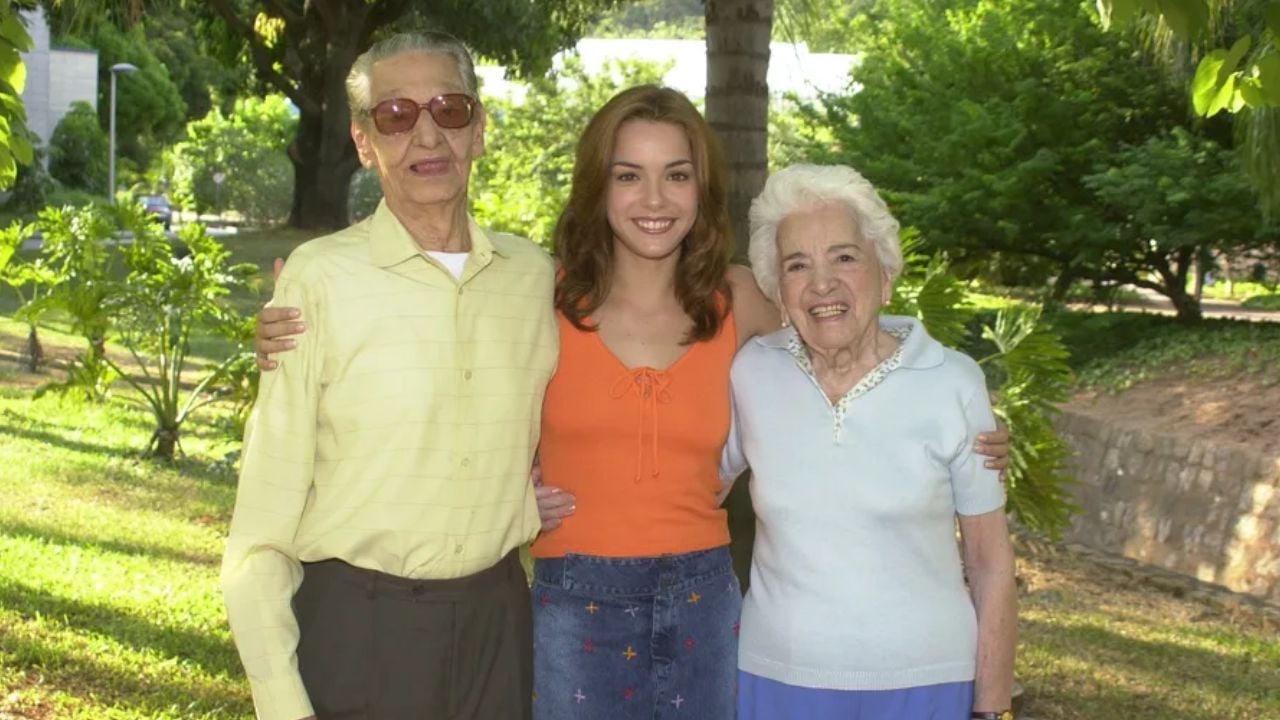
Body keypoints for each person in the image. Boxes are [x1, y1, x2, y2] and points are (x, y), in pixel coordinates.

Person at [253, 88, 1012, 719]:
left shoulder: (742, 299)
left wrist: (949, 400)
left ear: (701, 188)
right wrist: (304, 317)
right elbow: (431, 365)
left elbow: (843, 317)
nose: (654, 199)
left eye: (676, 175)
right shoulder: (537, 292)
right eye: (629, 176)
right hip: (571, 605)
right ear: (599, 186)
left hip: (705, 602)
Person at [221, 32, 556, 720]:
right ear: (364, 141)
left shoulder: (535, 278)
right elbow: (261, 529)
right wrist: (282, 703)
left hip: (500, 625)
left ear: (479, 129)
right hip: (360, 633)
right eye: (396, 115)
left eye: (450, 110)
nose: (427, 136)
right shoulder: (319, 280)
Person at [722, 163, 1018, 720]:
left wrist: (993, 709)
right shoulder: (751, 374)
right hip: (778, 678)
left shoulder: (953, 381)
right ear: (779, 292)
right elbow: (688, 483)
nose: (822, 284)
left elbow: (990, 562)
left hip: (927, 684)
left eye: (844, 257)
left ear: (884, 274)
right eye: (797, 265)